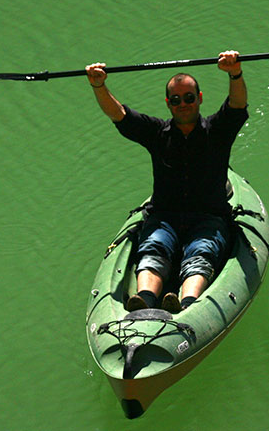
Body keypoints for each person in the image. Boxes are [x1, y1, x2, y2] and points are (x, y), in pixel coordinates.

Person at [86, 51, 248, 313]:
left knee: (201, 251)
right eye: (175, 99)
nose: (182, 103)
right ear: (168, 103)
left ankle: (188, 304)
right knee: (153, 248)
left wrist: (234, 72)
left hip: (208, 218)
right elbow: (118, 114)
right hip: (164, 217)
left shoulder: (217, 131)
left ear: (199, 99)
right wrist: (98, 84)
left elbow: (238, 105)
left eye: (188, 97)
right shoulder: (157, 133)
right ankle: (146, 300)